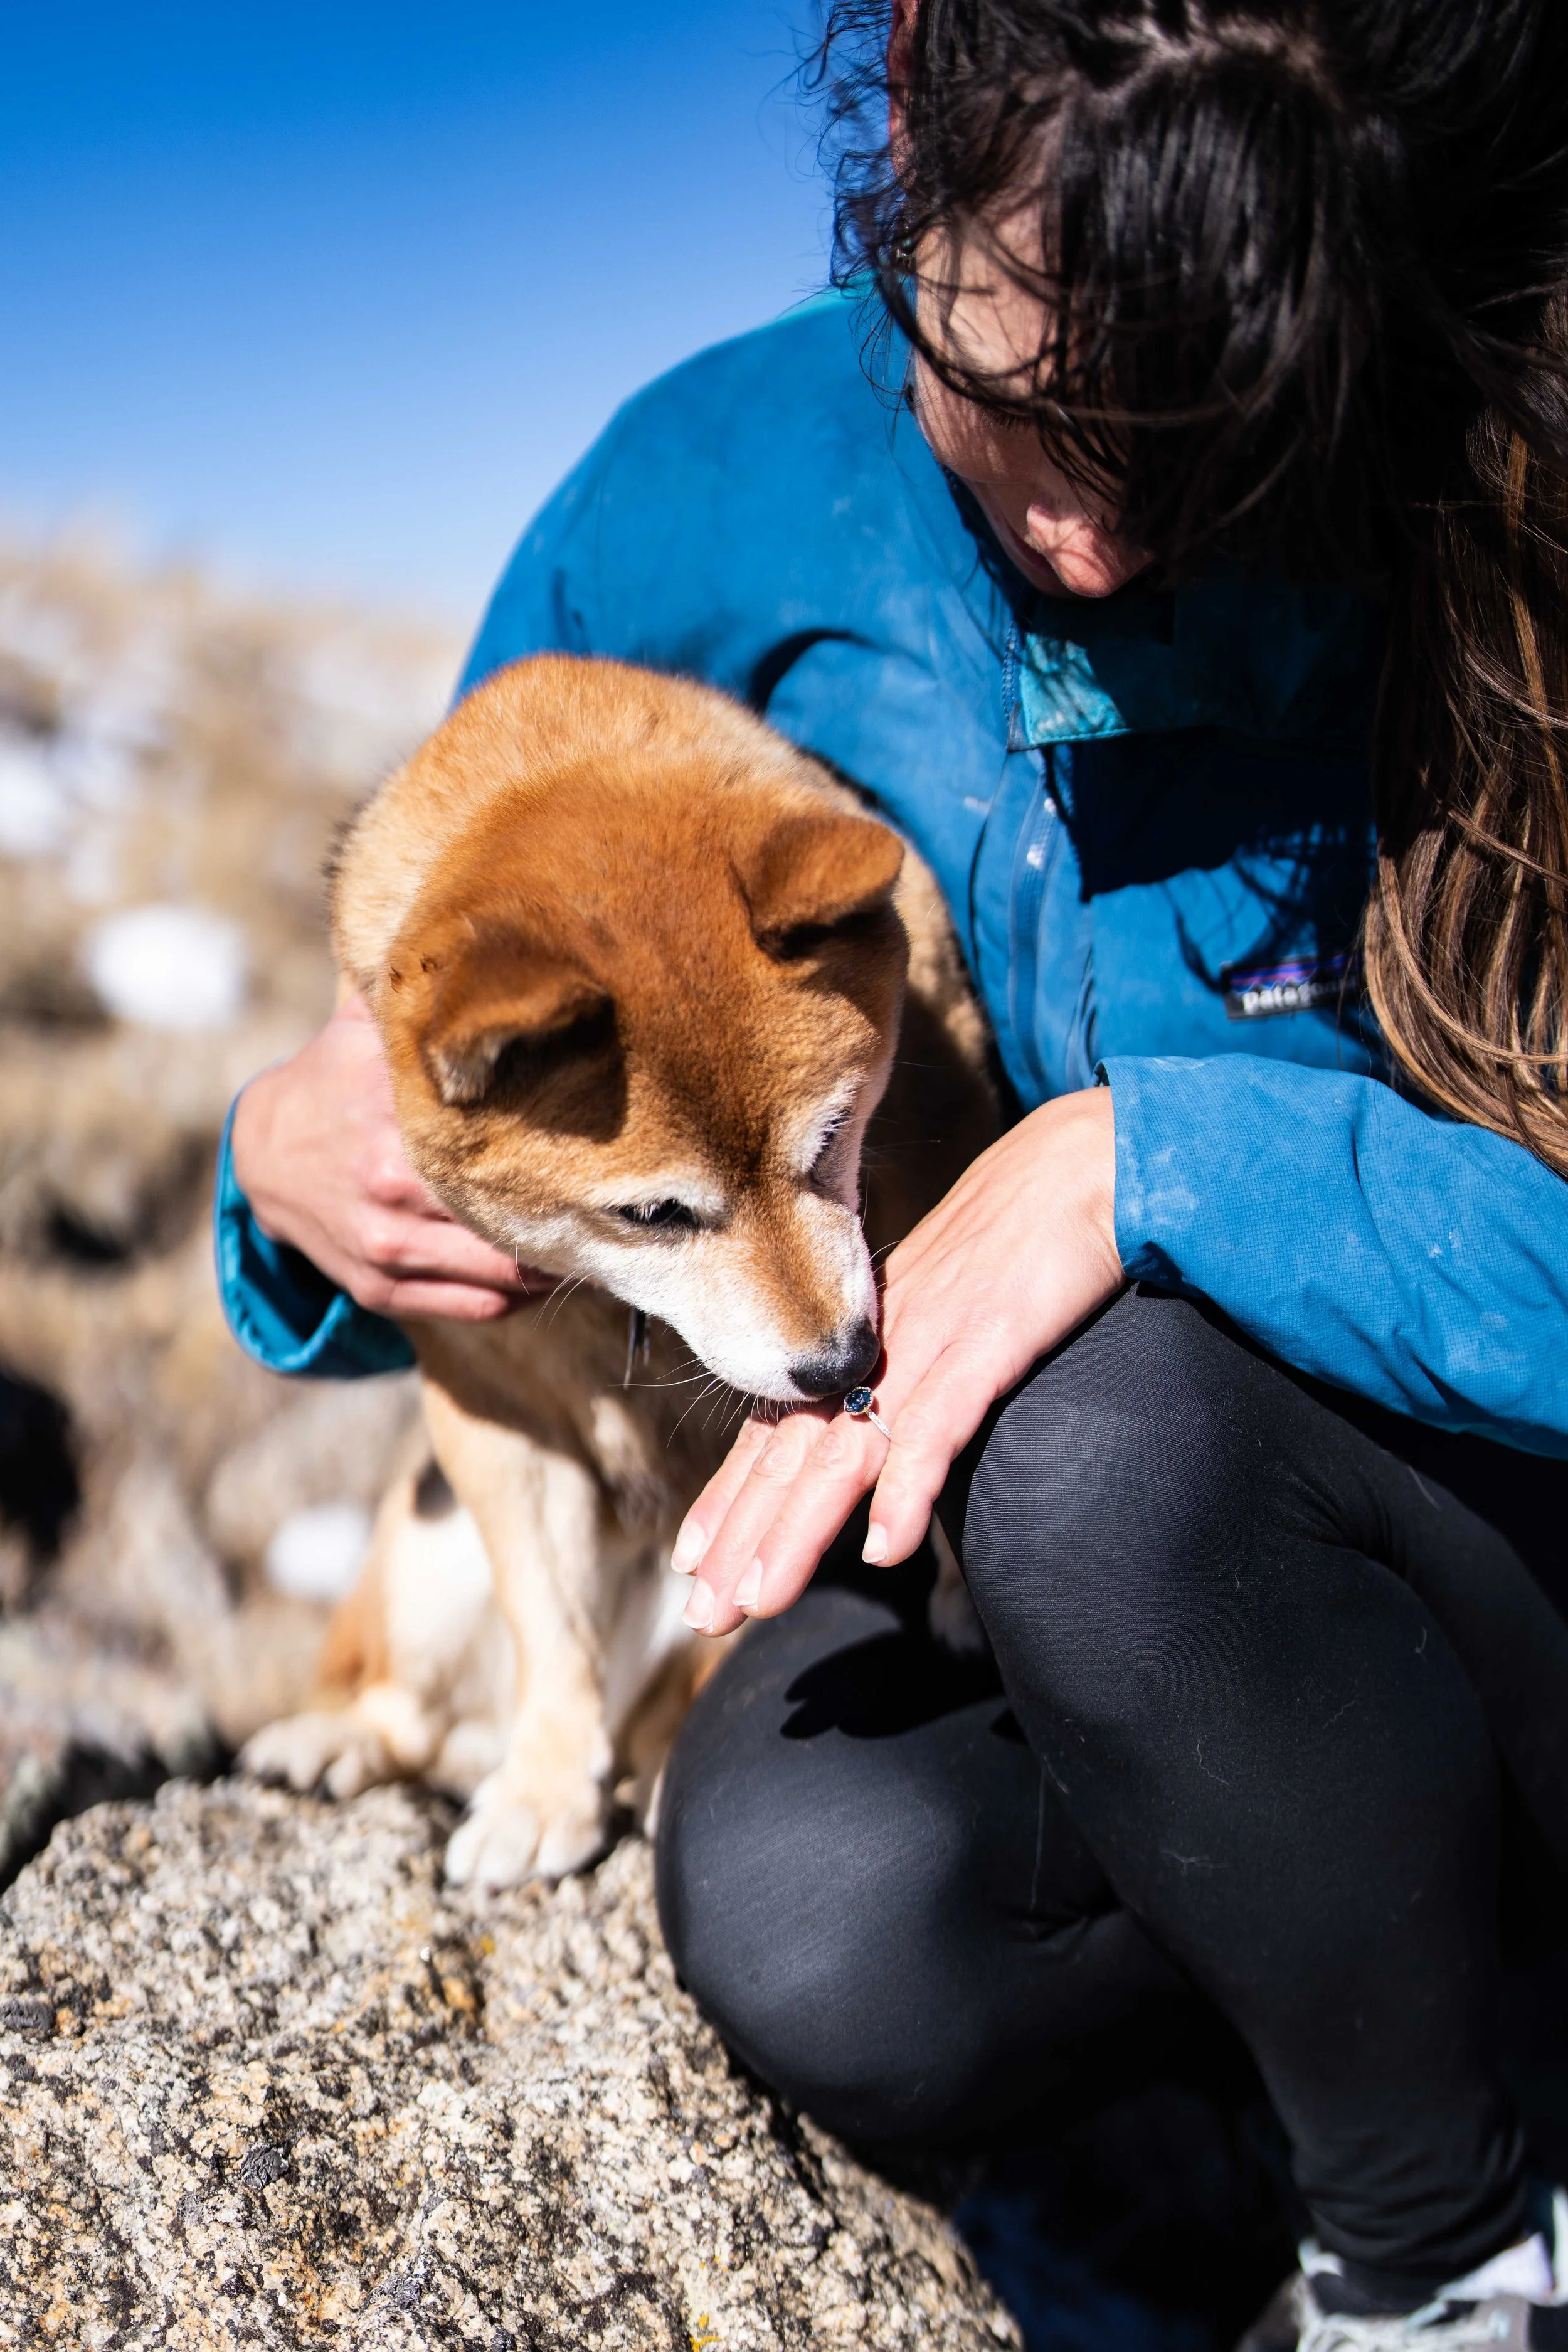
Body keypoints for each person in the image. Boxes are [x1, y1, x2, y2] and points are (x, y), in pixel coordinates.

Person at [221, 3, 1568, 2343]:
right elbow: (487, 1054)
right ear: (914, 90)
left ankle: (1450, 2244)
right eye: (1024, 392)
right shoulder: (696, 495)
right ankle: (1213, 2134)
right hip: (1073, 1596)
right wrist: (284, 1169)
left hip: (1461, 1527)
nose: (1095, 530)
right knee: (811, 1898)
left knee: (1101, 1441)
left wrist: (1152, 1162)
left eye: (1219, 428)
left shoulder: (1500, 452)